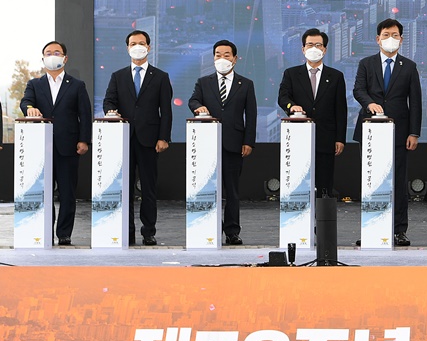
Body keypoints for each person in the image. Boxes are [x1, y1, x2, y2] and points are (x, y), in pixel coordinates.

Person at [353, 18, 422, 247]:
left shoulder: (409, 66)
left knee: (399, 183)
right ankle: (371, 227)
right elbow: (358, 90)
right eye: (385, 35)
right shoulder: (366, 63)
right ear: (377, 39)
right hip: (371, 131)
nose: (389, 39)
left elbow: (416, 102)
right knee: (371, 182)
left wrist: (414, 133)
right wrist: (369, 103)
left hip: (400, 133)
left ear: (401, 40)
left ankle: (399, 230)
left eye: (394, 35)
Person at [102, 30, 173, 246]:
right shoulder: (118, 75)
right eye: (133, 43)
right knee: (125, 187)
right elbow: (108, 102)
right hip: (123, 140)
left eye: (142, 43)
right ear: (127, 48)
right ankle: (127, 231)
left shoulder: (160, 77)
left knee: (149, 189)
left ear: (149, 47)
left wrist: (163, 137)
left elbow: (166, 111)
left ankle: (148, 231)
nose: (137, 46)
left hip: (150, 140)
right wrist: (111, 112)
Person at [20, 41, 92, 246]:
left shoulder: (77, 85)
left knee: (68, 192)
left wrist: (84, 140)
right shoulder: (35, 84)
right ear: (43, 59)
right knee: (44, 192)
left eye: (56, 53)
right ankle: (44, 231)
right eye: (48, 53)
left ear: (65, 58)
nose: (52, 56)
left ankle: (64, 233)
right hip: (41, 148)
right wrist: (30, 108)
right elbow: (25, 102)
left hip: (68, 146)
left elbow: (84, 115)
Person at [188, 40, 257, 245]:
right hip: (208, 144)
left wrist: (248, 142)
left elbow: (251, 115)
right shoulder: (204, 82)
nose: (222, 58)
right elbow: (192, 100)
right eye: (218, 54)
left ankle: (232, 231)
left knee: (232, 190)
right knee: (209, 188)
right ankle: (209, 228)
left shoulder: (245, 84)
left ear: (235, 59)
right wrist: (198, 107)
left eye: (227, 55)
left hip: (234, 143)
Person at [278, 28, 348, 198]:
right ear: (303, 49)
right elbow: (282, 97)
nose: (314, 48)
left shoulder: (336, 76)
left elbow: (341, 109)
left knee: (324, 185)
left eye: (318, 45)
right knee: (299, 184)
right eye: (310, 44)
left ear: (324, 49)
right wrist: (291, 106)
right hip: (299, 139)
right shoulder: (292, 74)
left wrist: (340, 138)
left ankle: (321, 222)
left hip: (326, 138)